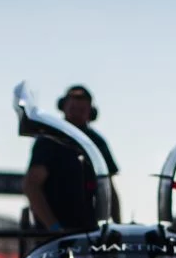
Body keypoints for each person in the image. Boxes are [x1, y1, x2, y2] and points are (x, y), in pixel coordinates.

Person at [23, 85, 121, 231]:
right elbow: (32, 186)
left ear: (90, 112)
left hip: (92, 233)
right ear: (64, 107)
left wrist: (118, 227)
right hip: (54, 238)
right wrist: (54, 227)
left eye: (82, 109)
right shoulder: (49, 140)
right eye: (73, 108)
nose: (77, 113)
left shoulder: (97, 142)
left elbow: (109, 189)